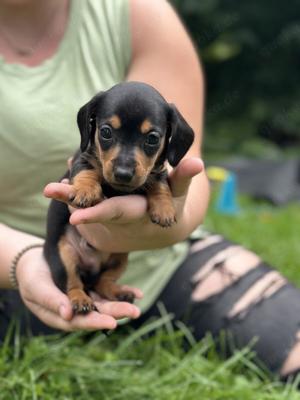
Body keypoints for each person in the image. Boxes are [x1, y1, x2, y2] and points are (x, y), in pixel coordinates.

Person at [0, 0, 299, 380]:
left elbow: (180, 193)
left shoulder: (137, 12)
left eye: (149, 141)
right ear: (91, 127)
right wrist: (22, 260)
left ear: (169, 140)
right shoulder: (89, 157)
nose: (125, 165)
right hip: (19, 270)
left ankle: (110, 283)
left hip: (166, 264)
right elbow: (83, 170)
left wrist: (165, 220)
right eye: (107, 135)